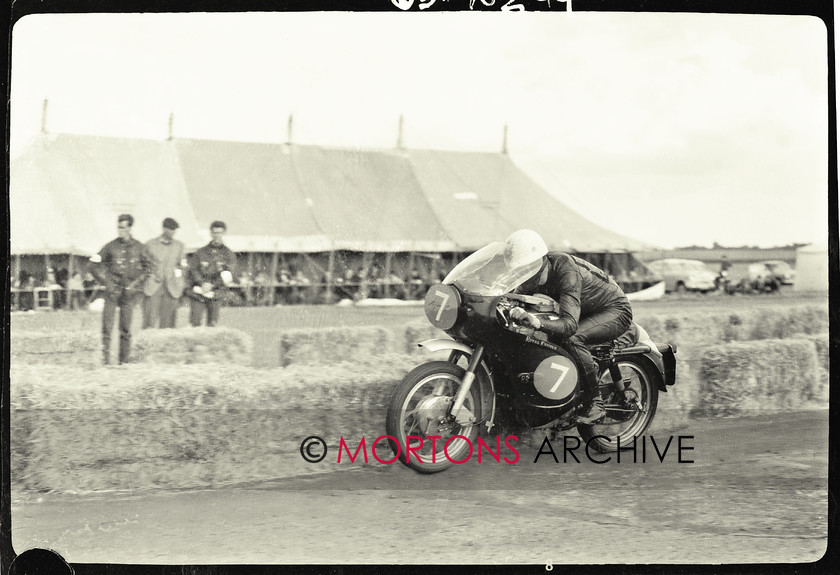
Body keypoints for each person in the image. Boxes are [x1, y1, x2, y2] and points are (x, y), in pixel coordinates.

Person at [504, 229, 633, 424]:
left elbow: (570, 325)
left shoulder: (566, 269)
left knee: (572, 338)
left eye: (525, 268)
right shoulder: (532, 275)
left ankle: (596, 402)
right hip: (584, 312)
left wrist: (538, 323)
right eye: (519, 270)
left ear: (539, 262)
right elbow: (513, 296)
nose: (522, 275)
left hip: (614, 310)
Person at [89, 214, 157, 365]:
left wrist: (136, 284)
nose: (121, 231)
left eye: (124, 227)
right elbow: (92, 265)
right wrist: (107, 283)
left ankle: (123, 362)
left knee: (125, 329)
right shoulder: (110, 247)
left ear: (130, 228)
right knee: (107, 328)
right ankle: (106, 362)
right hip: (112, 293)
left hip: (129, 294)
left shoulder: (140, 247)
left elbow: (150, 267)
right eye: (119, 227)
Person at [188, 220, 237, 327]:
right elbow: (193, 269)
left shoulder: (229, 254)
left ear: (224, 233)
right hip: (199, 293)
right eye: (214, 232)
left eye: (219, 232)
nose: (216, 235)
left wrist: (212, 285)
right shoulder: (201, 252)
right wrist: (202, 283)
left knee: (212, 325)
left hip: (216, 293)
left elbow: (228, 275)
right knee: (195, 323)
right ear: (211, 233)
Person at [142, 217, 186, 329]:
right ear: (164, 228)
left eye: (174, 230)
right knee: (149, 322)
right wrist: (151, 274)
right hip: (153, 288)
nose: (173, 232)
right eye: (170, 229)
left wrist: (179, 282)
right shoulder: (150, 244)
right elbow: (143, 264)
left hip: (171, 288)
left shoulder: (179, 246)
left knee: (168, 325)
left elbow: (182, 266)